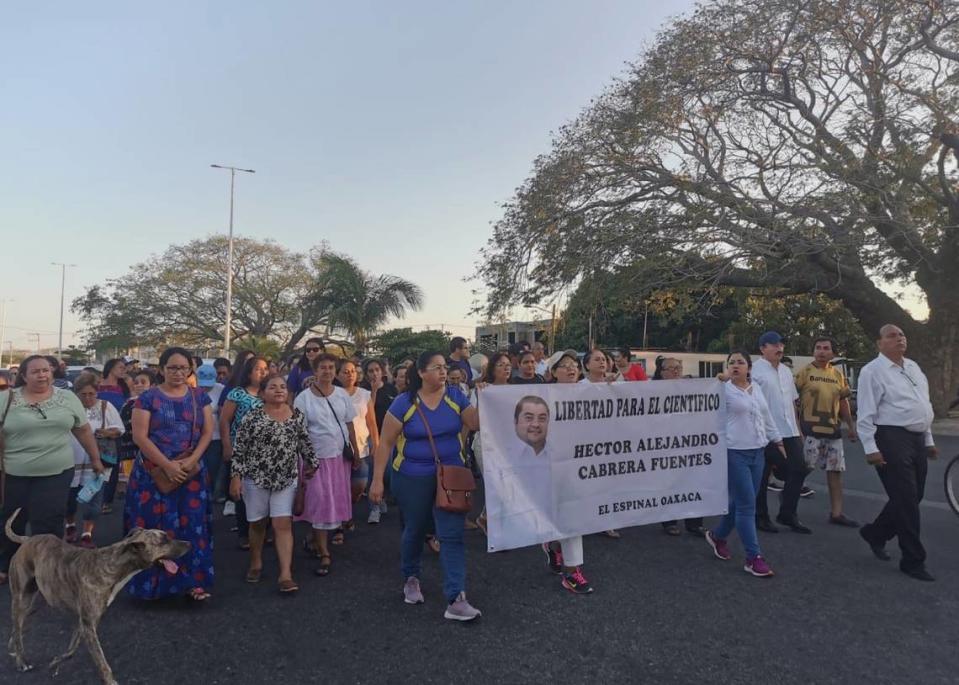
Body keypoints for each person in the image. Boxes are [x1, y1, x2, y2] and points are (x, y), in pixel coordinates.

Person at [369, 351, 482, 621]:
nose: (443, 372)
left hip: (451, 475)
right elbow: (385, 443)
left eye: (445, 367)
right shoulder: (403, 403)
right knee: (416, 529)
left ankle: (456, 598)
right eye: (436, 368)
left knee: (452, 535)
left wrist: (485, 397)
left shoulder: (456, 396)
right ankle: (411, 577)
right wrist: (376, 479)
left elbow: (475, 423)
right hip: (411, 476)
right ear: (420, 373)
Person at [0, 356, 105, 584]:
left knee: (48, 521)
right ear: (24, 376)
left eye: (46, 370)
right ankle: (7, 565)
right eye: (36, 371)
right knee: (12, 519)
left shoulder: (67, 398)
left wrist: (96, 459)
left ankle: (46, 568)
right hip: (14, 473)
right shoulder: (5, 399)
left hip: (56, 471)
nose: (42, 375)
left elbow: (83, 430)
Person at [124, 347, 214, 601]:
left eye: (183, 368)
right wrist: (167, 465)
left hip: (191, 472)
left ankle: (193, 582)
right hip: (154, 474)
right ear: (162, 369)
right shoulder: (148, 398)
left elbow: (207, 432)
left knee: (193, 527)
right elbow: (139, 436)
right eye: (172, 367)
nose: (178, 372)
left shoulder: (199, 397)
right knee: (154, 529)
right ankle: (153, 586)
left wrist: (192, 460)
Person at [856, 325, 937, 581]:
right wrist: (871, 447)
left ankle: (876, 533)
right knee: (905, 499)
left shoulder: (913, 367)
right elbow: (866, 413)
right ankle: (913, 560)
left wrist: (928, 439)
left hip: (916, 437)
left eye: (902, 334)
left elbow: (924, 405)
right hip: (891, 436)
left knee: (914, 495)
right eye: (892, 335)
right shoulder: (872, 371)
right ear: (879, 343)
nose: (899, 338)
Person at [231, 375, 319, 592]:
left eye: (282, 387)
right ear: (262, 393)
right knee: (258, 524)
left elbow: (304, 441)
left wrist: (312, 462)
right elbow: (240, 448)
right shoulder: (252, 417)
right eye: (272, 387)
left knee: (283, 524)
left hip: (286, 478)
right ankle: (256, 562)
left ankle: (285, 574)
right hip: (256, 479)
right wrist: (236, 477)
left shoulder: (296, 416)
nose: (279, 390)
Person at [705, 350, 784, 577]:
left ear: (749, 367)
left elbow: (767, 418)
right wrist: (719, 380)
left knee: (741, 502)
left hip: (757, 452)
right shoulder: (723, 390)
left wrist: (778, 441)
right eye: (732, 362)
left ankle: (718, 536)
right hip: (734, 452)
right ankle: (753, 557)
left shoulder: (756, 389)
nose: (736, 365)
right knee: (748, 504)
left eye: (741, 362)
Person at [294, 353, 360, 576]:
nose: (328, 371)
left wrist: (356, 452)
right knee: (319, 501)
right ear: (315, 371)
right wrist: (304, 460)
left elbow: (349, 424)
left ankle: (314, 538)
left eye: (332, 367)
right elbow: (299, 431)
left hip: (339, 458)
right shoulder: (303, 398)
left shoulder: (341, 394)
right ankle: (324, 554)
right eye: (323, 367)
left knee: (333, 500)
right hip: (315, 459)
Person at [541, 349, 594, 593]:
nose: (571, 368)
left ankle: (557, 551)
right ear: (552, 373)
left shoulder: (590, 391)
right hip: (554, 464)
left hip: (584, 463)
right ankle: (571, 571)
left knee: (573, 514)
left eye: (574, 364)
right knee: (568, 515)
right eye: (564, 365)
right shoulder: (542, 396)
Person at [795, 337, 859, 527]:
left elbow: (843, 401)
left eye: (826, 348)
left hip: (832, 430)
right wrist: (796, 428)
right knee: (803, 469)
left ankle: (837, 513)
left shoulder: (838, 375)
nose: (822, 351)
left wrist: (850, 426)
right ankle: (789, 505)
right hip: (809, 430)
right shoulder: (805, 372)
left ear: (832, 353)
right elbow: (791, 399)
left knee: (835, 471)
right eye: (818, 348)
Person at [751, 331, 811, 534]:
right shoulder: (756, 371)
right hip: (766, 430)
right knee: (763, 475)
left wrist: (798, 429)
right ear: (762, 348)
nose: (779, 348)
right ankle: (760, 516)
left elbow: (792, 402)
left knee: (800, 468)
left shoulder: (786, 371)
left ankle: (787, 513)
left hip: (789, 429)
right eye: (774, 344)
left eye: (781, 344)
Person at [65, 373, 124, 547]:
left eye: (92, 393)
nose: (88, 398)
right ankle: (70, 524)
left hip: (98, 461)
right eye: (84, 394)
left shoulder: (106, 407)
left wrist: (106, 432)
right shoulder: (70, 408)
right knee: (69, 499)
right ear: (76, 394)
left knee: (94, 500)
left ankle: (87, 533)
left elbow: (120, 429)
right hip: (71, 459)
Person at [220, 356, 269, 549]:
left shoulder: (270, 393)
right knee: (242, 493)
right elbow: (224, 421)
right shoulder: (237, 393)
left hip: (266, 452)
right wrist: (226, 446)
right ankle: (244, 533)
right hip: (241, 450)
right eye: (258, 369)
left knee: (265, 491)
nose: (263, 372)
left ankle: (264, 531)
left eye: (266, 369)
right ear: (249, 372)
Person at [655, 357, 706, 537]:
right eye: (671, 368)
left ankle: (694, 522)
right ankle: (669, 521)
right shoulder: (652, 391)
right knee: (669, 484)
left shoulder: (693, 388)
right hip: (665, 446)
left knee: (693, 482)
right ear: (662, 373)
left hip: (689, 444)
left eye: (678, 367)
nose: (676, 371)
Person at [468, 351, 513, 533]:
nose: (506, 368)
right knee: (495, 483)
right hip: (486, 444)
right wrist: (481, 396)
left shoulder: (515, 389)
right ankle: (495, 527)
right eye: (501, 364)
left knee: (506, 484)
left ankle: (487, 518)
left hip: (509, 444)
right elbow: (475, 424)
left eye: (508, 364)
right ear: (492, 368)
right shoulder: (482, 389)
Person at [579, 349, 621, 538]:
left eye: (604, 359)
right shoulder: (578, 386)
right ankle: (585, 519)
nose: (602, 362)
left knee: (608, 483)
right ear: (587, 365)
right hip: (585, 442)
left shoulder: (617, 385)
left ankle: (606, 521)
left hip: (610, 440)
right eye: (597, 359)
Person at [334, 358, 379, 527]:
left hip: (362, 448)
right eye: (345, 372)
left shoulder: (364, 394)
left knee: (359, 486)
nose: (350, 375)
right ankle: (343, 518)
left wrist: (376, 442)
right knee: (340, 487)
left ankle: (347, 509)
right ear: (337, 375)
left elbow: (371, 422)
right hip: (340, 449)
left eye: (353, 371)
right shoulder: (333, 394)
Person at [196, 364, 226, 504]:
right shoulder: (193, 390)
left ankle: (213, 493)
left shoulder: (221, 389)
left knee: (213, 467)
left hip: (216, 436)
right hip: (198, 436)